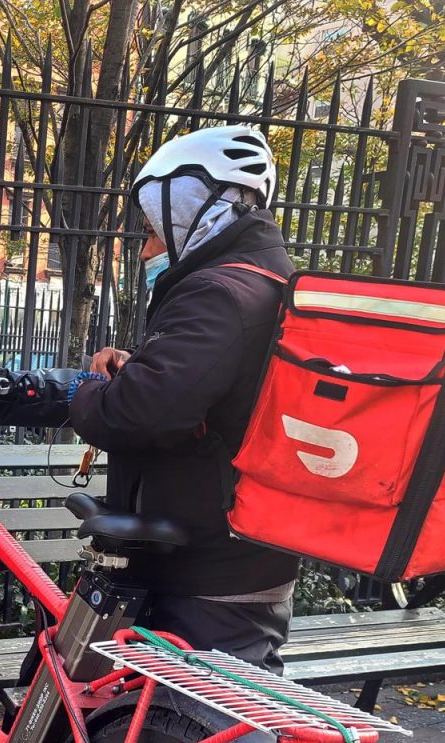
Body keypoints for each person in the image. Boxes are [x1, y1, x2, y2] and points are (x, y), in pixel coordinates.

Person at [65, 125, 298, 671]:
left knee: (162, 737)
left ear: (198, 211)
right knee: (194, 735)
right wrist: (141, 368)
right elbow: (213, 390)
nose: (146, 248)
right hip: (242, 557)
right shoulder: (269, 279)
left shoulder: (220, 291)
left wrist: (86, 392)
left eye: (153, 230)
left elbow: (140, 413)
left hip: (202, 571)